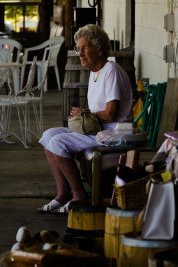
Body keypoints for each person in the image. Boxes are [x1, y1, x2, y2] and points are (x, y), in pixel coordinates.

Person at [38, 24, 133, 214]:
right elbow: (100, 112)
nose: (80, 53)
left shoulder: (111, 71)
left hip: (112, 133)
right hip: (97, 129)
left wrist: (85, 114)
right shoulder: (94, 72)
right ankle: (63, 193)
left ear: (99, 49)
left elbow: (110, 113)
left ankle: (79, 196)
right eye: (78, 49)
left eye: (85, 48)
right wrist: (84, 114)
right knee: (48, 136)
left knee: (58, 142)